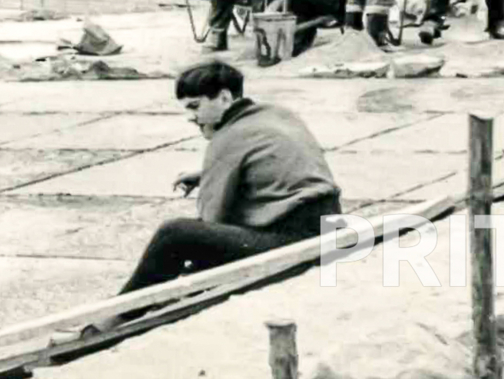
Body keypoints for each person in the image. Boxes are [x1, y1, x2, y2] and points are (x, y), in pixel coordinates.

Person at [115, 60, 342, 295]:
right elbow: (275, 160)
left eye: (195, 106)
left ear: (224, 97)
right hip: (327, 226)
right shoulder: (276, 115)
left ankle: (117, 312)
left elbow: (212, 216)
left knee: (175, 233)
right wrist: (208, 173)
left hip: (295, 241)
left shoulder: (228, 136)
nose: (191, 117)